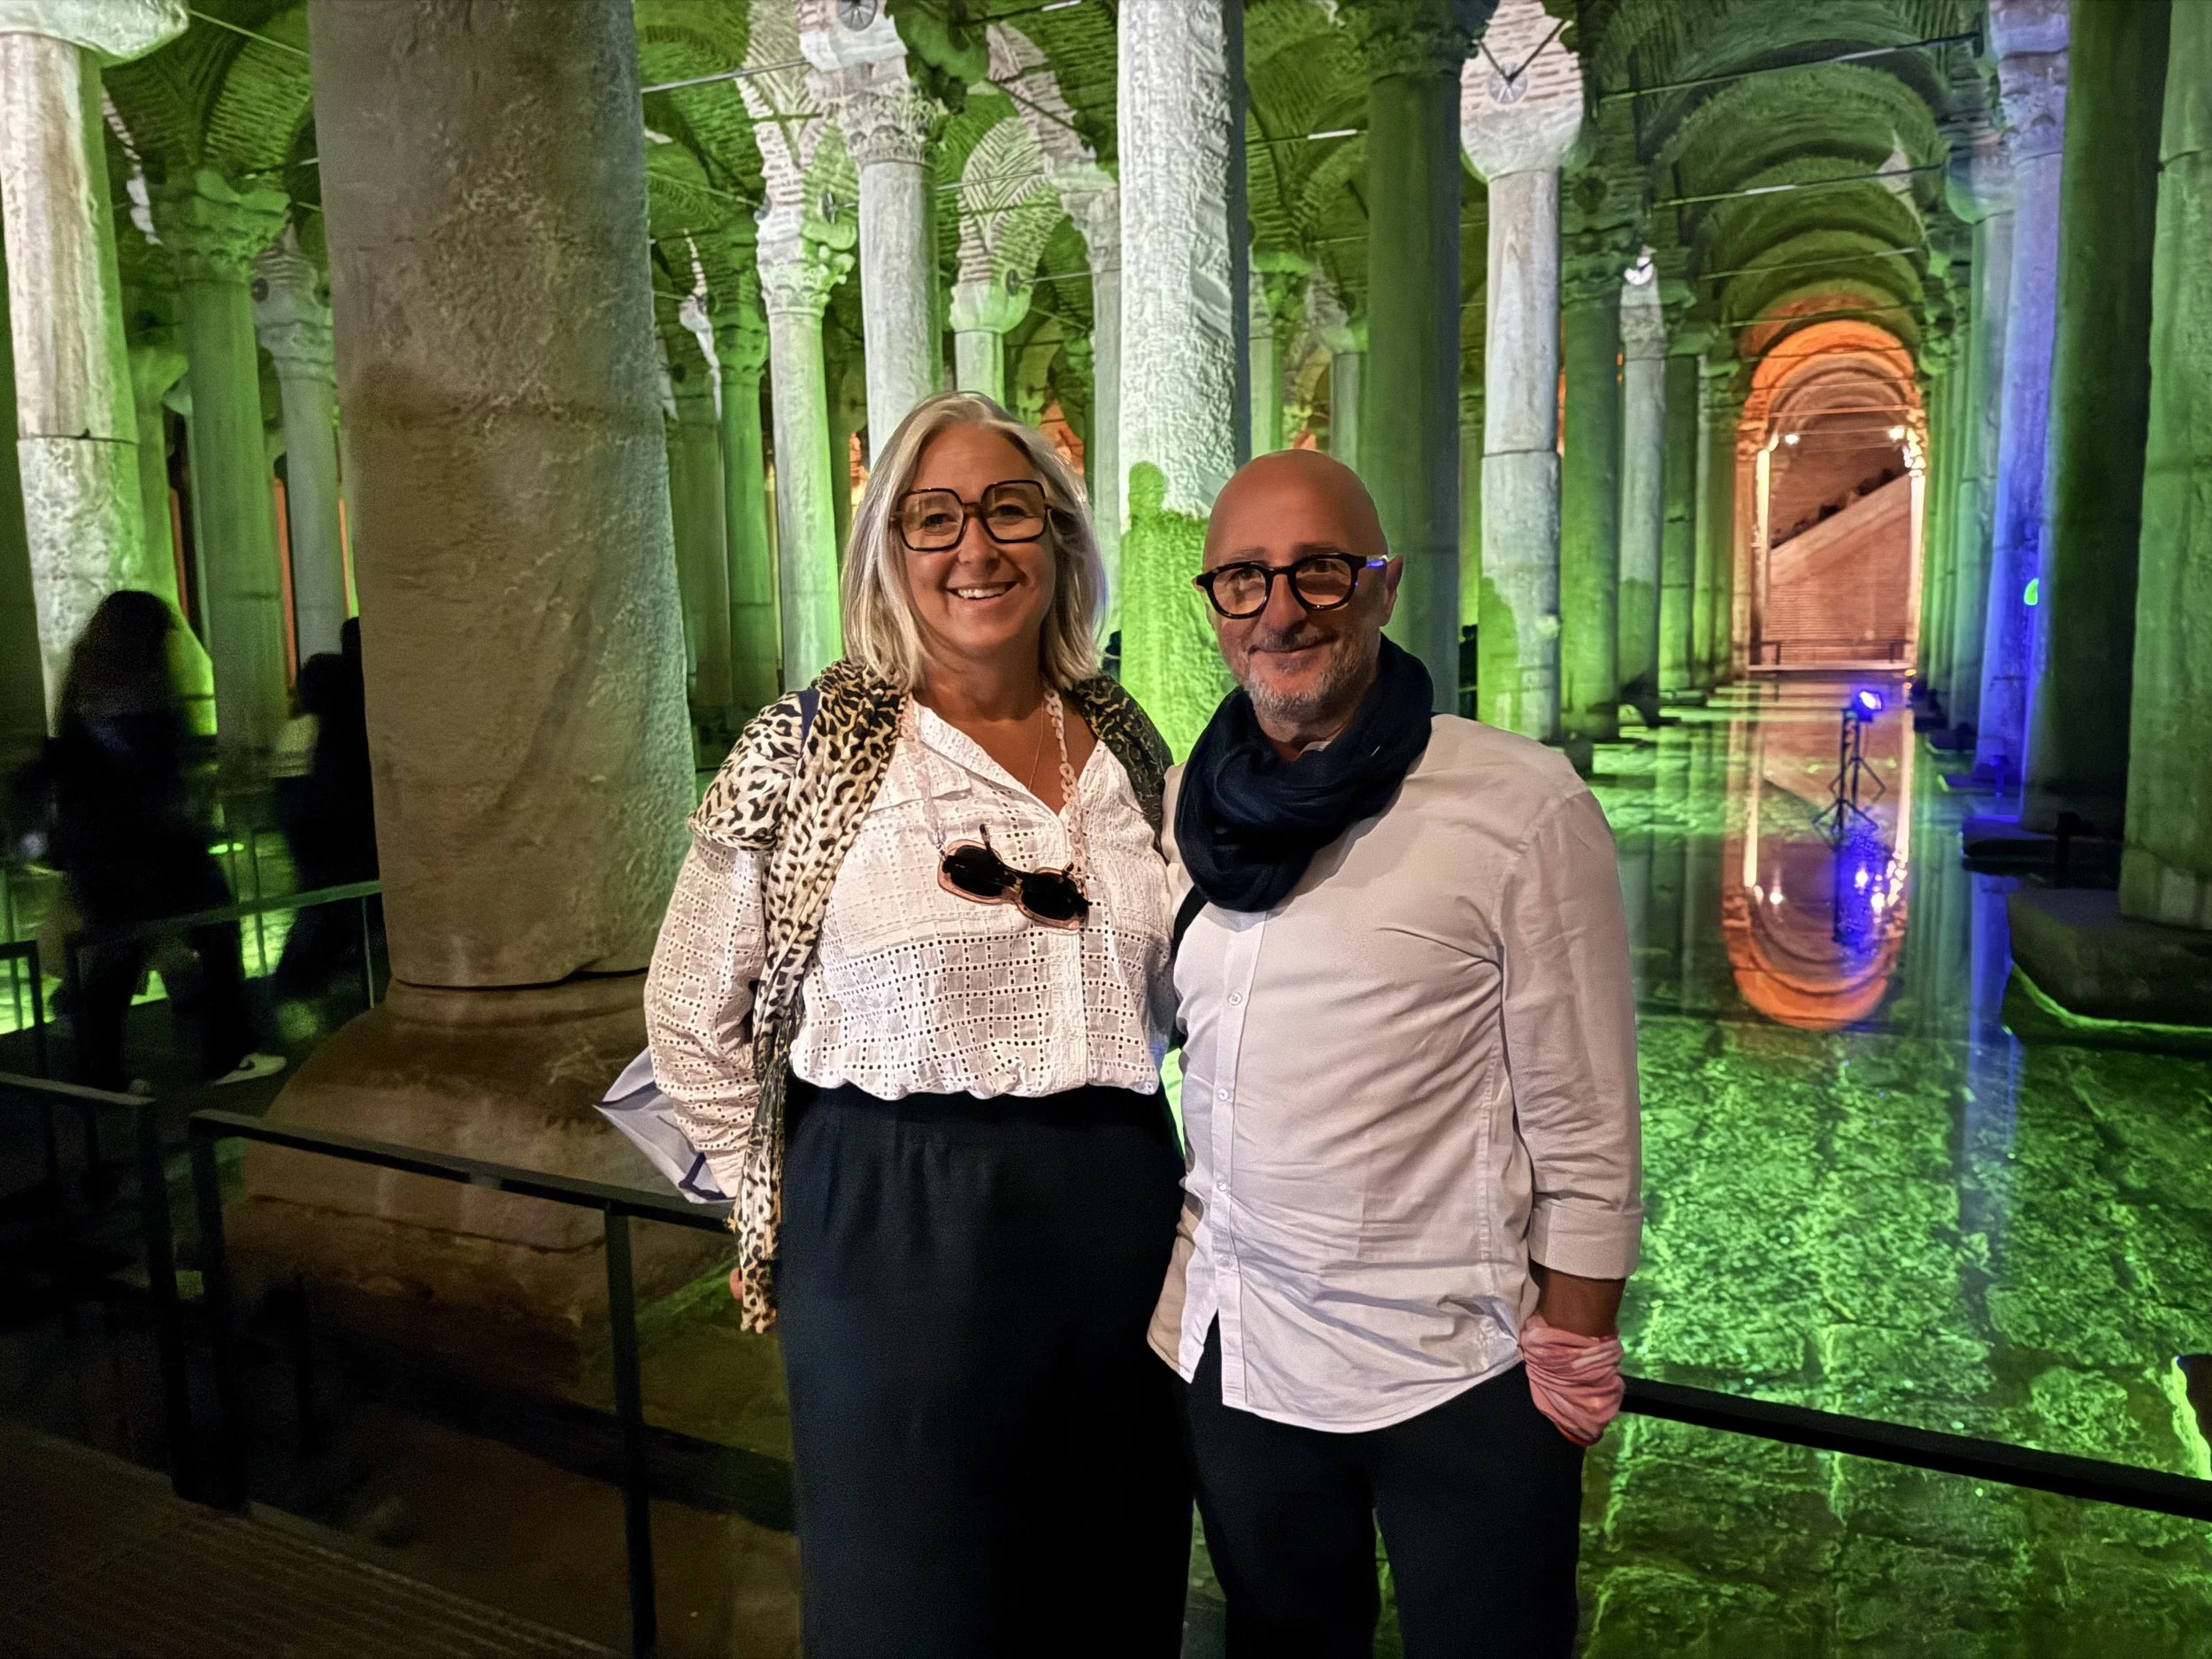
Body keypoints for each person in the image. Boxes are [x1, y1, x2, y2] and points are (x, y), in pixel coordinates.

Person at [645, 391, 1188, 1657]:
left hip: (1116, 1202)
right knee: (916, 1599)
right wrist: (793, 1196)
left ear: (1060, 537)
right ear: (885, 550)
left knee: (1111, 1573)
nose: (974, 548)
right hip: (891, 1216)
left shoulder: (1125, 739)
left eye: (1010, 509)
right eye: (931, 517)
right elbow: (689, 1009)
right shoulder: (812, 743)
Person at [1155, 449, 1643, 1657]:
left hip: (1455, 1362)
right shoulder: (1182, 805)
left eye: (1320, 569)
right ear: (1214, 606)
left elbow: (1585, 1116)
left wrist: (1573, 1346)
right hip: (1242, 1347)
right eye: (1245, 579)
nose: (1282, 607)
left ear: (1383, 584)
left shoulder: (1518, 804)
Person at [38, 591, 283, 1092]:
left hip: (103, 854)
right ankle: (226, 1053)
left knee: (118, 961)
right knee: (215, 930)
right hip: (158, 853)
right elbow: (157, 774)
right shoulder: (143, 690)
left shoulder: (82, 684)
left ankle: (99, 1074)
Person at [273, 618, 379, 1000]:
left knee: (320, 900)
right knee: (338, 901)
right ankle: (300, 980)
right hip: (340, 817)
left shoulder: (320, 685)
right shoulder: (359, 691)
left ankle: (298, 981)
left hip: (311, 815)